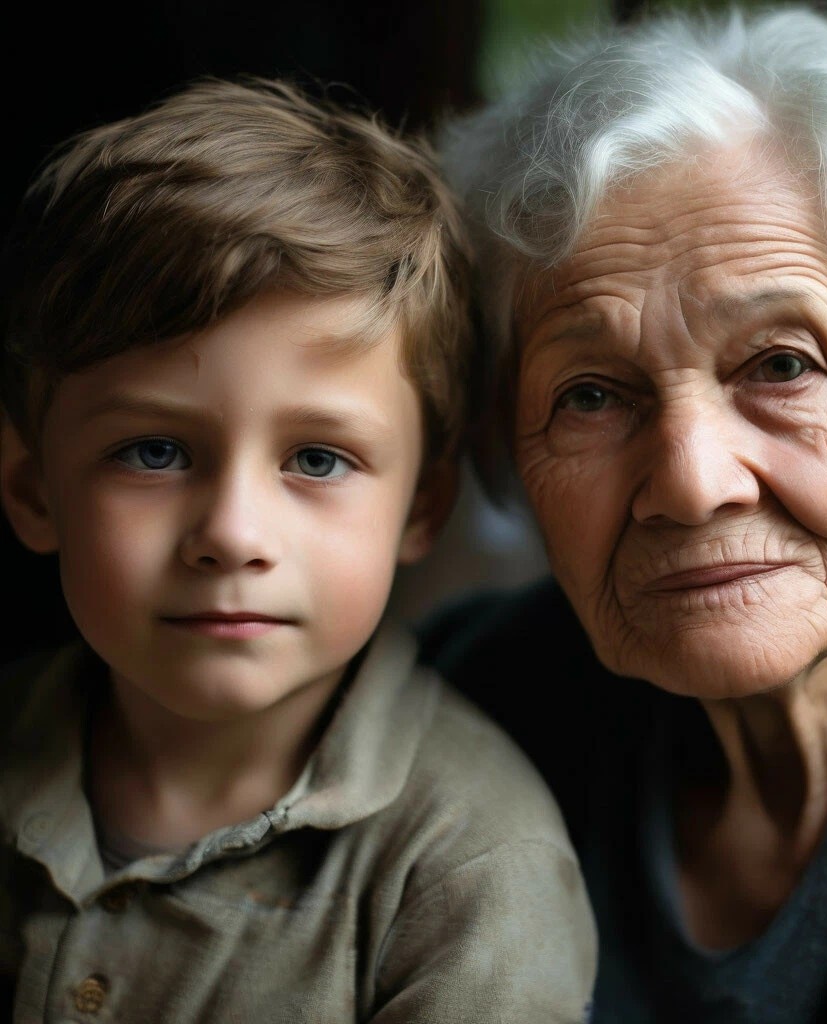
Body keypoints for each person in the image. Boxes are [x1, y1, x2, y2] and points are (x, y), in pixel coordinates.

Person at [420, 6, 827, 1023]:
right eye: (591, 395)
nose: (694, 482)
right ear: (509, 456)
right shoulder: (462, 714)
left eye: (782, 365)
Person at [0, 78, 595, 1023]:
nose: (233, 533)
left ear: (421, 507)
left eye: (317, 458)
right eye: (154, 452)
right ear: (34, 489)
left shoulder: (469, 872)